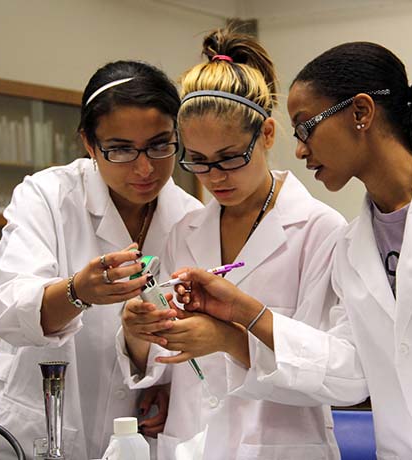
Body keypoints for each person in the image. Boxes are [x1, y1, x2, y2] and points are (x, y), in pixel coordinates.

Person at [167, 42, 412, 459]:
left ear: (361, 113)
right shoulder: (352, 249)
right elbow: (350, 374)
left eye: (305, 127)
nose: (299, 149)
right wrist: (244, 314)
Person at [117, 28, 347, 460]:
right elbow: (167, 367)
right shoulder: (183, 233)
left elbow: (335, 370)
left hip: (280, 445)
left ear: (267, 134)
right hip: (190, 441)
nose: (215, 176)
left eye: (229, 157)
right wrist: (138, 332)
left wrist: (228, 339)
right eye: (198, 162)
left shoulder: (319, 229)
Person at [0, 60, 203, 460]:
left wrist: (167, 386)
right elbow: (5, 309)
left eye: (159, 144)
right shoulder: (47, 196)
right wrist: (78, 291)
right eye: (120, 149)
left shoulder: (189, 217)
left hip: (135, 435)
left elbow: (189, 338)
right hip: (36, 431)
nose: (145, 166)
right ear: (89, 142)